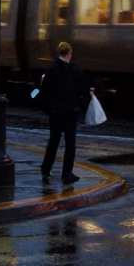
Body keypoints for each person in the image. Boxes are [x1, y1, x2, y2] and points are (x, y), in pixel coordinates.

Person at [39, 41, 94, 185]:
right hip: (70, 112)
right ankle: (67, 173)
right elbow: (81, 89)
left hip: (55, 113)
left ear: (59, 52)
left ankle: (46, 168)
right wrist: (88, 95)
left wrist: (49, 110)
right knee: (70, 143)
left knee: (54, 141)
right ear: (70, 53)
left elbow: (43, 92)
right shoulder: (73, 70)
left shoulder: (51, 69)